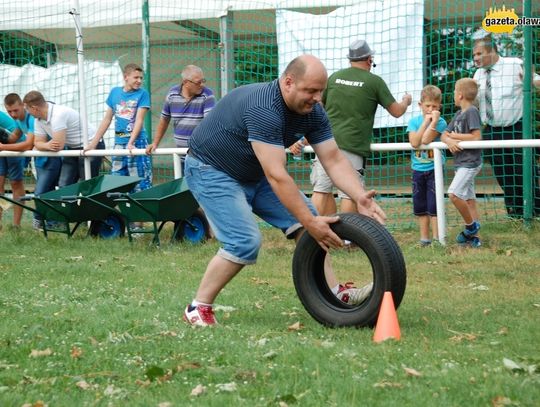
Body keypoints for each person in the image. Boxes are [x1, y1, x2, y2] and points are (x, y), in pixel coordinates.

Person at [183, 54, 386, 326]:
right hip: (212, 170)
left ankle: (335, 294)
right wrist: (310, 220)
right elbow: (277, 175)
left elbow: (334, 159)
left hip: (253, 172)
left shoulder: (313, 113)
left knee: (311, 224)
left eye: (320, 91)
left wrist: (359, 196)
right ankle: (198, 307)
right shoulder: (265, 107)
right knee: (244, 241)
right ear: (289, 82)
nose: (316, 97)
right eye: (310, 91)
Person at [304, 39, 412, 216]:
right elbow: (397, 112)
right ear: (369, 59)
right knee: (349, 194)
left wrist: (307, 136)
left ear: (350, 59)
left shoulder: (334, 77)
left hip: (325, 142)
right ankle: (347, 240)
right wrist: (406, 101)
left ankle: (312, 233)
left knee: (321, 190)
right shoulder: (374, 81)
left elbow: (318, 109)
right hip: (352, 145)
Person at [472, 34, 540, 218]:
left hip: (517, 129)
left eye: (479, 53)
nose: (475, 58)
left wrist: (531, 80)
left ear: (492, 51)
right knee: (503, 174)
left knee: (525, 171)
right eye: (474, 55)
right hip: (492, 130)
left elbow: (537, 83)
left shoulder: (514, 64)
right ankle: (515, 212)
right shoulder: (478, 74)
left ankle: (535, 210)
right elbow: (476, 104)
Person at [86, 63, 152, 196]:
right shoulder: (115, 92)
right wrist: (93, 143)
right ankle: (121, 211)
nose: (139, 81)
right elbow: (107, 119)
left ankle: (140, 212)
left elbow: (139, 120)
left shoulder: (143, 94)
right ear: (126, 77)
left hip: (137, 142)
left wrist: (131, 142)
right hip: (119, 142)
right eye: (136, 77)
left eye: (141, 78)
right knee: (117, 178)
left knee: (140, 179)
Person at [23, 91, 104, 189]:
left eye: (27, 109)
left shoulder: (58, 115)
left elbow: (58, 146)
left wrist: (43, 145)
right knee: (64, 185)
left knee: (87, 186)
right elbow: (37, 143)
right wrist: (47, 145)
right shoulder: (38, 119)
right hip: (71, 148)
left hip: (91, 145)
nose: (27, 113)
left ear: (34, 108)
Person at [145, 65, 215, 171]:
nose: (202, 85)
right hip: (181, 156)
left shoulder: (207, 94)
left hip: (201, 157)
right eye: (198, 82)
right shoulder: (172, 94)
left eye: (203, 80)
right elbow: (164, 119)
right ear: (185, 82)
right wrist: (155, 143)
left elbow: (209, 124)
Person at [441, 78, 483, 248]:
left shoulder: (472, 111)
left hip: (470, 163)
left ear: (460, 95)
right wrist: (449, 141)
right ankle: (474, 240)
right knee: (469, 200)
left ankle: (471, 227)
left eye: (453, 92)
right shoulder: (458, 115)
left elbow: (476, 136)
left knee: (454, 194)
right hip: (460, 163)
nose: (452, 95)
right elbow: (444, 134)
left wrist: (454, 137)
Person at [406, 85, 447, 246]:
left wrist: (434, 121)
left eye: (434, 107)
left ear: (439, 107)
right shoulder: (414, 122)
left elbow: (425, 140)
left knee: (434, 204)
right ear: (420, 105)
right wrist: (425, 122)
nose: (430, 109)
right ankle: (424, 239)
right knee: (421, 205)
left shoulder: (441, 122)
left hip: (434, 169)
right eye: (427, 106)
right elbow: (415, 142)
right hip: (418, 169)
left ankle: (437, 238)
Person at [0, 110, 26, 229]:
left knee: (16, 183)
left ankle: (16, 225)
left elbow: (12, 136)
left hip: (15, 145)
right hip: (2, 144)